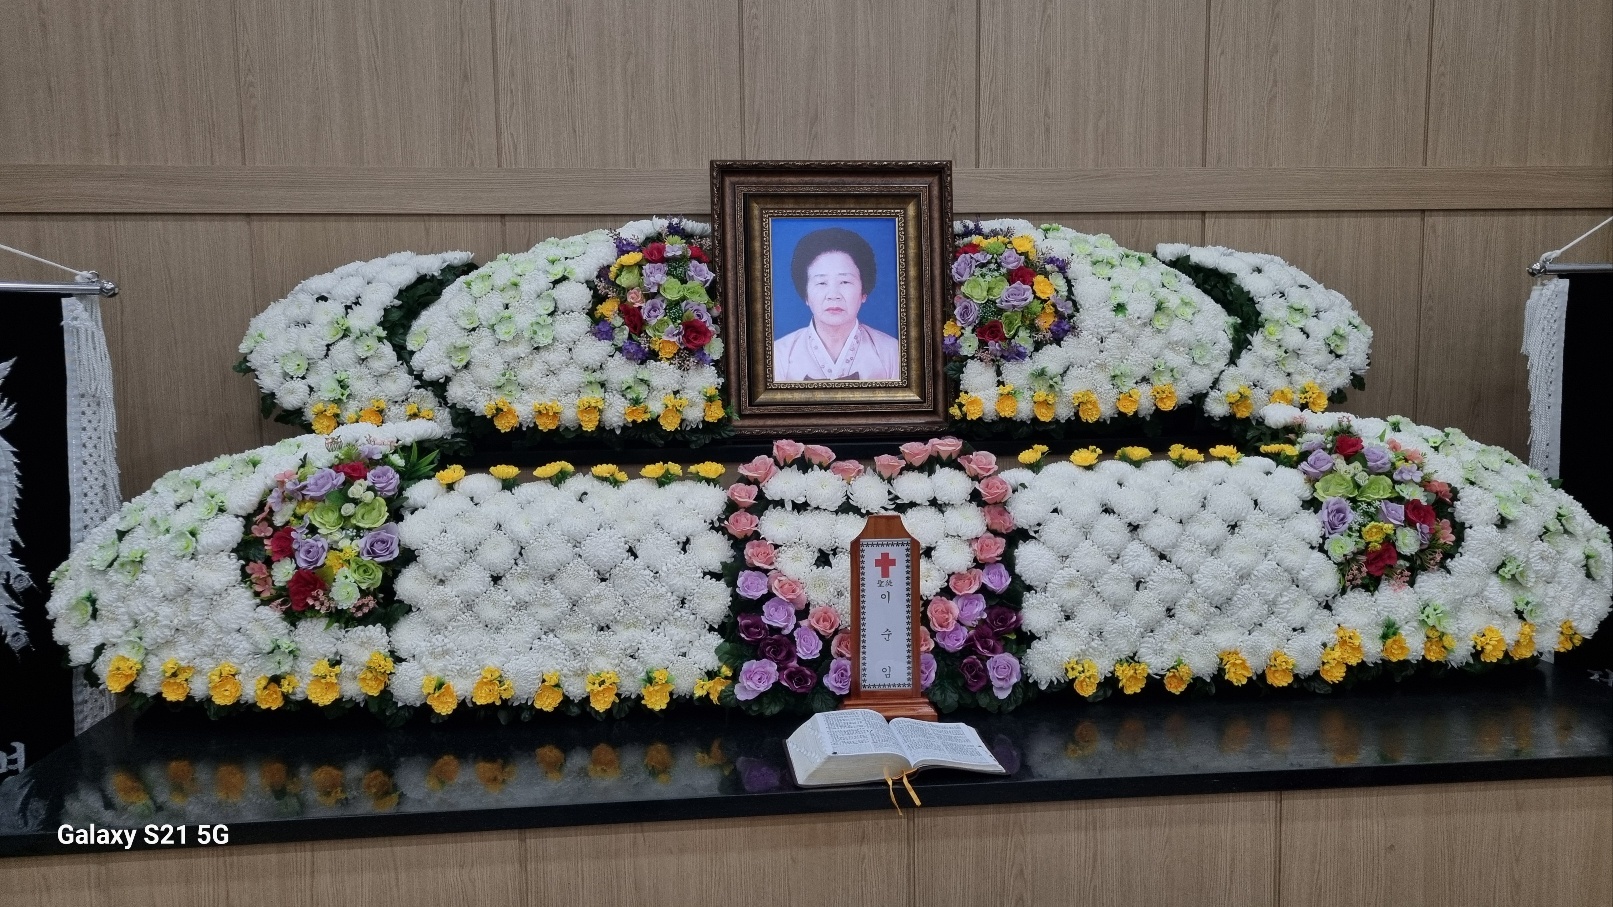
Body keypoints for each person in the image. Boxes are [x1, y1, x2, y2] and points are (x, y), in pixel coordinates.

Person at [773, 226, 900, 381]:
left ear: (863, 292)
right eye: (821, 283)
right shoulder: (779, 355)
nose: (833, 295)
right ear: (806, 294)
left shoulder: (892, 352)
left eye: (845, 282)